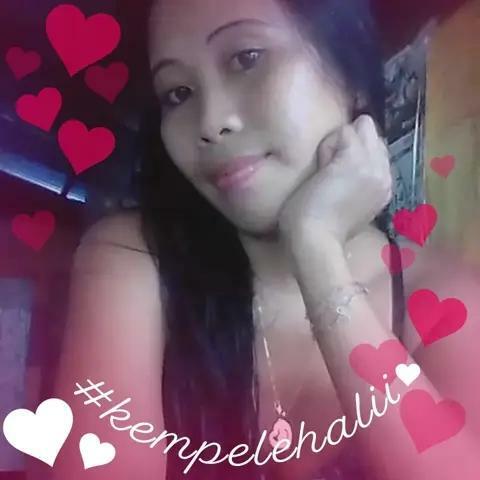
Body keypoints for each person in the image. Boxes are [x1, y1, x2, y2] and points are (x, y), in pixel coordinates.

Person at [28, 1, 480, 479]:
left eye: (246, 58)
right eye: (178, 93)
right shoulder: (133, 258)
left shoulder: (448, 299)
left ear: (351, 78)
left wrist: (317, 255)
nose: (209, 123)